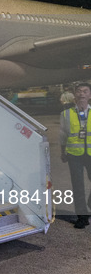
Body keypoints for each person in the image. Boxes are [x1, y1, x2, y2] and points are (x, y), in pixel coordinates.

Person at [59, 82, 91, 229]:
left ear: (90, 95)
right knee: (77, 187)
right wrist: (62, 151)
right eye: (79, 91)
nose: (82, 94)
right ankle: (82, 217)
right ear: (74, 95)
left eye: (85, 91)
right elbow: (63, 135)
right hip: (74, 154)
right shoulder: (66, 114)